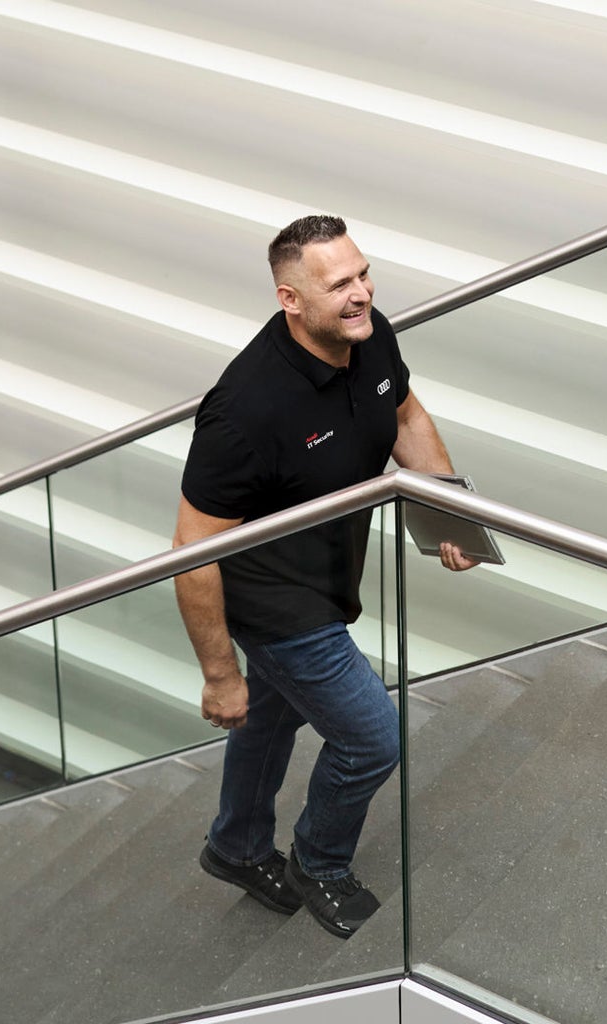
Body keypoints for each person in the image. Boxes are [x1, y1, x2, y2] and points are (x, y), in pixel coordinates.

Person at [173, 215, 475, 939]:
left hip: (331, 572)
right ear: (291, 300)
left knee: (271, 717)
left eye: (363, 274)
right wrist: (220, 674)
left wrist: (449, 515)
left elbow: (404, 414)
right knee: (372, 738)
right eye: (339, 283)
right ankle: (319, 862)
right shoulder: (243, 412)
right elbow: (191, 551)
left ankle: (237, 848)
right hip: (273, 599)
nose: (361, 293)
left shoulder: (367, 337)